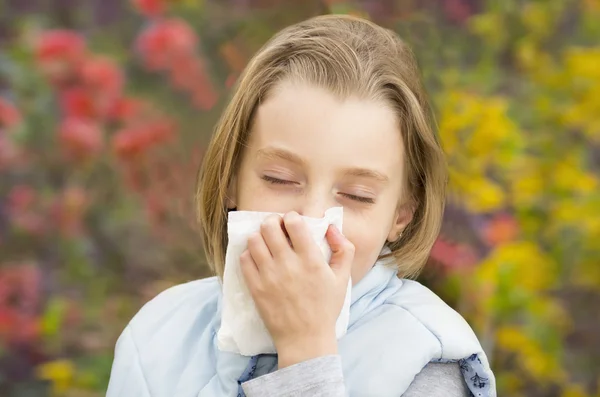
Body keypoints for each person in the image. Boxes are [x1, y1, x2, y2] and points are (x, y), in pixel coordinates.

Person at [106, 14, 496, 397]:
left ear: (400, 216)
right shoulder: (156, 337)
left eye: (357, 196)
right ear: (230, 181)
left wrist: (306, 356)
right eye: (279, 179)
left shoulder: (428, 362)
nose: (309, 218)